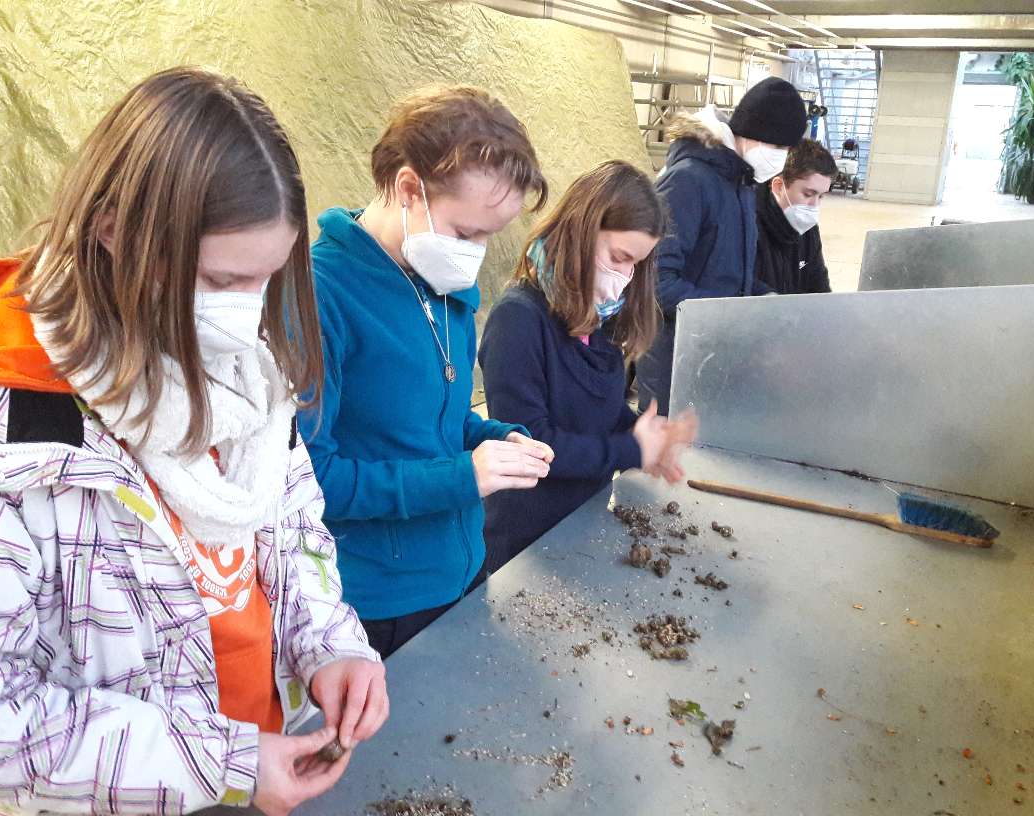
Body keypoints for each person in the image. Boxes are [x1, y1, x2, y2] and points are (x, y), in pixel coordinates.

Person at [0, 68, 388, 816]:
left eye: (267, 279)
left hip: (254, 797)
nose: (246, 312)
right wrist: (222, 758)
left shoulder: (242, 369)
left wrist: (330, 642)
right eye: (221, 281)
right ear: (113, 230)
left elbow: (290, 525)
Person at [299, 85, 555, 659]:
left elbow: (438, 419)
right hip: (377, 603)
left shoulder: (444, 281)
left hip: (461, 565)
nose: (475, 253)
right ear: (409, 187)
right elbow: (311, 479)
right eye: (466, 233)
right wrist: (461, 478)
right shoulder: (323, 296)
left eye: (492, 236)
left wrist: (494, 438)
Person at [478, 161, 697, 577]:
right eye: (619, 257)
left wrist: (644, 434)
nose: (625, 276)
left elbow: (598, 410)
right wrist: (631, 449)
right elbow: (531, 444)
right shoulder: (518, 320)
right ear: (580, 231)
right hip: (525, 544)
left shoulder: (599, 316)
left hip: (582, 521)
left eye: (636, 264)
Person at [636, 76, 808, 414]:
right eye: (779, 148)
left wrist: (762, 298)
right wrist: (732, 313)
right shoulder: (688, 181)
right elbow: (656, 283)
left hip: (715, 351)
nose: (782, 158)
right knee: (671, 460)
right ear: (752, 134)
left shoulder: (740, 183)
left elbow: (725, 272)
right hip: (676, 360)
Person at [754, 138, 837, 294]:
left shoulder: (808, 230)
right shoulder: (747, 226)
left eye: (820, 197)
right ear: (778, 187)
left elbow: (818, 285)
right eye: (808, 194)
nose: (814, 205)